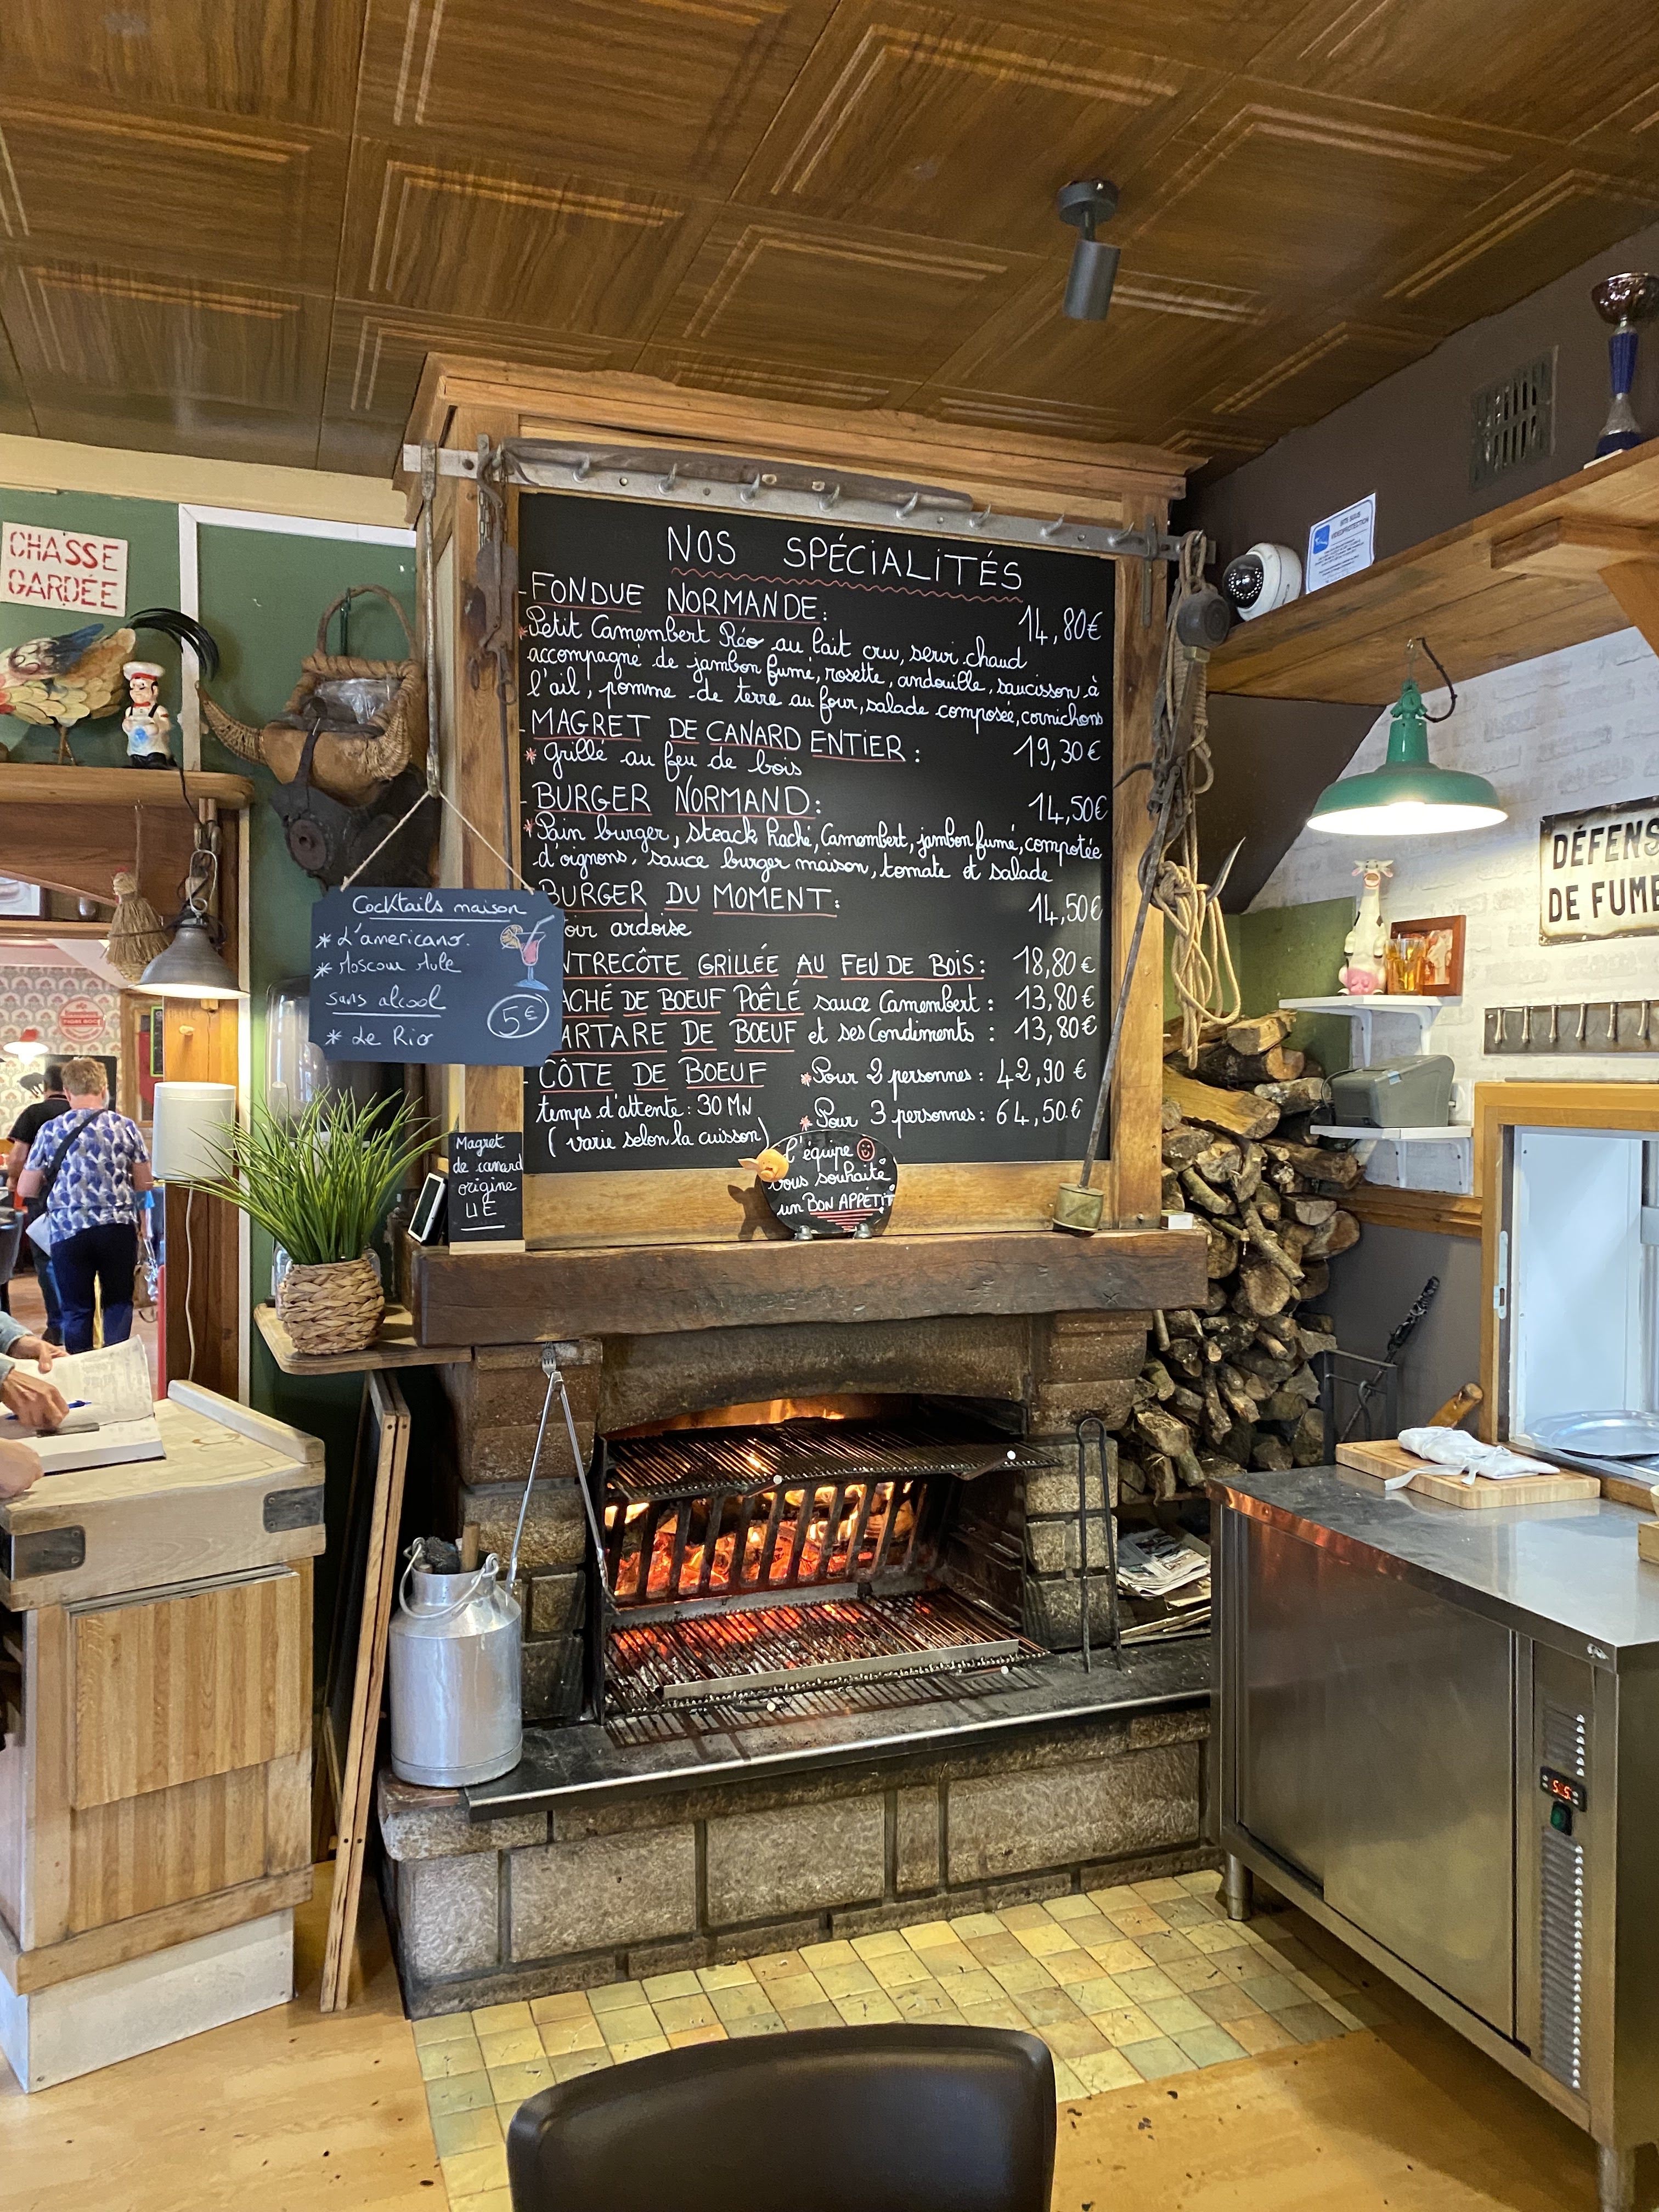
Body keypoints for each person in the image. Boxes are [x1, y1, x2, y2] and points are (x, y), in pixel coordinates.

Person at [17, 1057, 153, 1356]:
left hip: (69, 1231)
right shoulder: (126, 1127)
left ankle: (81, 1371)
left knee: (76, 1309)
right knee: (118, 1302)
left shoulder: (51, 1130)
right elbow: (145, 1183)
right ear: (104, 1089)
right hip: (117, 1228)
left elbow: (25, 1188)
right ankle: (116, 1367)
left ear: (67, 1092)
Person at [8, 1061, 70, 1345]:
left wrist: (14, 1180)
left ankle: (57, 1325)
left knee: (46, 1260)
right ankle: (80, 1323)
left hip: (43, 1199)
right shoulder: (82, 1113)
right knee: (77, 1259)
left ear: (46, 1086)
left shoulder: (34, 1113)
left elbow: (18, 1156)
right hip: (77, 1201)